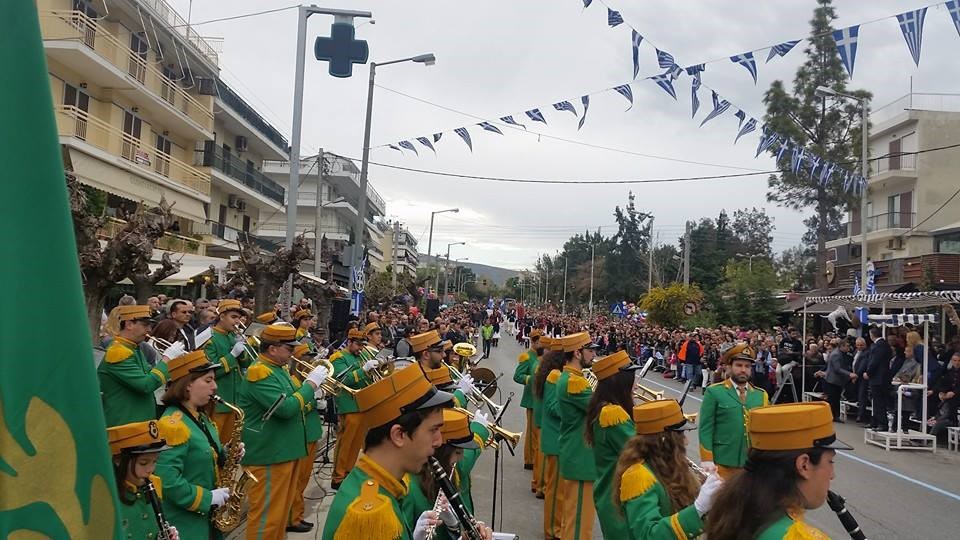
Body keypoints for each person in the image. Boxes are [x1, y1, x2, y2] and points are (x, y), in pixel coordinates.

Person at [321, 364, 493, 540]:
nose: (439, 441)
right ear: (399, 435)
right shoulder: (372, 516)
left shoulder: (384, 486)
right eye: (433, 430)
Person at [705, 402, 853, 539]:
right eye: (830, 461)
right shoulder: (797, 536)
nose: (832, 475)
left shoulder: (733, 510)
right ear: (804, 465)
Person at [239, 323, 329, 540]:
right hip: (269, 454)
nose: (293, 353)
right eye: (289, 348)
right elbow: (286, 409)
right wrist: (311, 385)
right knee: (267, 518)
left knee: (279, 516)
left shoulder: (277, 369)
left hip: (284, 451)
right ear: (272, 349)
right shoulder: (260, 372)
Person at [613, 400, 722, 539]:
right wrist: (697, 509)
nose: (686, 441)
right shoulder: (638, 477)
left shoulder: (669, 465)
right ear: (664, 439)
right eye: (681, 434)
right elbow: (647, 535)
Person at [154, 350, 227, 539]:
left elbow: (203, 454)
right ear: (188, 385)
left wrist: (227, 454)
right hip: (187, 525)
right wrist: (208, 498)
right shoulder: (172, 424)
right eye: (208, 380)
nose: (215, 386)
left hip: (206, 519)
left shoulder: (200, 417)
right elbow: (167, 481)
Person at [400, 408, 482, 539]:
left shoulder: (451, 473)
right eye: (457, 452)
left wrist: (453, 527)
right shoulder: (409, 488)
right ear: (441, 452)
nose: (461, 458)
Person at [583, 350, 640, 538]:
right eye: (632, 379)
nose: (636, 384)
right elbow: (640, 449)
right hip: (618, 497)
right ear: (619, 382)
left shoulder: (607, 408)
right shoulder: (612, 413)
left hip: (612, 493)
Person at [699, 342, 769, 479]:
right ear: (729, 367)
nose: (743, 370)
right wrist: (707, 458)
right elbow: (706, 428)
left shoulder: (761, 395)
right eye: (739, 365)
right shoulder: (714, 392)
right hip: (722, 462)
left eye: (747, 366)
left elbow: (765, 431)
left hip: (752, 464)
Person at [555, 332, 600, 540]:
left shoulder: (574, 378)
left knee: (573, 520)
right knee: (579, 526)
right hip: (580, 455)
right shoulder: (575, 382)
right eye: (590, 351)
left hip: (576, 454)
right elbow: (600, 409)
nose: (594, 355)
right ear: (577, 352)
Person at [107, 420, 180, 540]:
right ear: (118, 461)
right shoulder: (107, 497)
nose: (150, 469)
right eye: (143, 463)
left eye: (155, 461)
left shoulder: (153, 485)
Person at [98, 305, 169, 427]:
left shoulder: (134, 349)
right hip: (124, 425)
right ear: (129, 324)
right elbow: (146, 385)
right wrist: (167, 359)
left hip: (138, 425)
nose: (149, 330)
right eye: (145, 325)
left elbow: (150, 374)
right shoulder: (118, 353)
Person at [330, 328, 377, 489]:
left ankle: (348, 472)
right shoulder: (339, 357)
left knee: (356, 443)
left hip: (362, 404)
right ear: (349, 342)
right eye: (358, 344)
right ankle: (338, 476)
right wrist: (363, 370)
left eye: (362, 345)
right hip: (348, 405)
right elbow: (343, 380)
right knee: (345, 443)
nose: (361, 348)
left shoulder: (361, 356)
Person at [287, 344, 326, 532]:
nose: (311, 362)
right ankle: (293, 518)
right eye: (307, 359)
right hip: (301, 435)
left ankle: (297, 514)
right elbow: (296, 407)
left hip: (311, 433)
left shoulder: (304, 381)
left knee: (303, 479)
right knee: (297, 481)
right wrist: (314, 402)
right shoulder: (294, 381)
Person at [202, 299, 252, 445]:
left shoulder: (232, 336)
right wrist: (232, 355)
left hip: (236, 399)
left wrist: (242, 351)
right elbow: (211, 371)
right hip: (218, 400)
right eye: (233, 317)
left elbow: (246, 364)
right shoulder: (209, 338)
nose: (237, 321)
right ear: (222, 316)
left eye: (239, 318)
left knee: (232, 444)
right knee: (216, 442)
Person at [535, 338, 567, 539]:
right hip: (556, 438)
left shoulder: (556, 374)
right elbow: (554, 407)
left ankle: (556, 527)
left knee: (558, 490)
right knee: (555, 492)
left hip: (557, 438)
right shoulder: (555, 376)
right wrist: (577, 408)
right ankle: (552, 531)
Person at [514, 328, 543, 475]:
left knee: (539, 432)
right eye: (540, 342)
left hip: (541, 399)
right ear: (534, 342)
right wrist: (531, 379)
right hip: (531, 399)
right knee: (532, 433)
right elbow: (517, 376)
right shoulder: (527, 357)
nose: (542, 345)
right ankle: (529, 460)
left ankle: (537, 458)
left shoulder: (542, 356)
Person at [815, 338, 856, 421]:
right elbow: (837, 369)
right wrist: (849, 374)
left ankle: (834, 416)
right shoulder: (836, 354)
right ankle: (831, 416)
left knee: (836, 398)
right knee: (833, 399)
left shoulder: (840, 353)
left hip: (837, 380)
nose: (848, 348)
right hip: (832, 380)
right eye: (847, 346)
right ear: (842, 346)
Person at [864, 327, 894, 431]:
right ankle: (875, 421)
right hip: (882, 377)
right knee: (877, 401)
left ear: (872, 334)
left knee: (879, 401)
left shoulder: (879, 346)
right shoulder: (884, 345)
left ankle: (882, 423)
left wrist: (868, 372)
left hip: (879, 377)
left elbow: (874, 361)